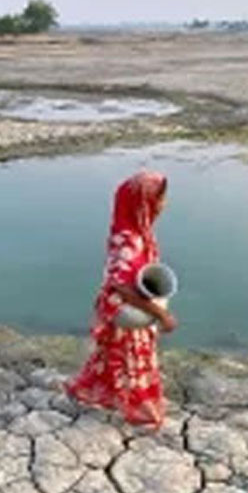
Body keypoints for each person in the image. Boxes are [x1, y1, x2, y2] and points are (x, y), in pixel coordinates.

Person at [66, 170, 177, 429]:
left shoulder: (138, 230)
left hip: (131, 306)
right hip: (125, 310)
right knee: (133, 360)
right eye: (159, 198)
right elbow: (121, 288)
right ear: (143, 202)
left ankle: (88, 391)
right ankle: (142, 410)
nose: (164, 204)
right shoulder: (129, 239)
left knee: (112, 356)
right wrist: (161, 315)